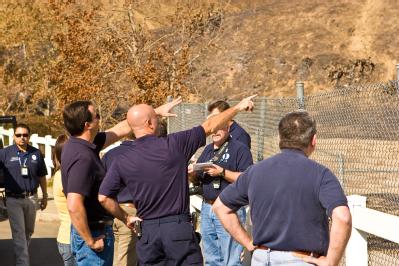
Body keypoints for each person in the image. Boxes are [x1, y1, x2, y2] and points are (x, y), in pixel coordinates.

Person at [98, 95, 256, 265]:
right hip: (177, 229)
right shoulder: (175, 144)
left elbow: (103, 197)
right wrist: (238, 107)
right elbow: (210, 126)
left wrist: (126, 218)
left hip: (147, 231)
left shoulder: (122, 158)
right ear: (151, 123)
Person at [213, 111, 352, 266]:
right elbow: (342, 217)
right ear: (314, 140)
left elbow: (220, 207)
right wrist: (331, 261)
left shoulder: (255, 171)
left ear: (280, 138)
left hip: (260, 258)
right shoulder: (321, 174)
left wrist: (247, 242)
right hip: (301, 260)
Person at [61, 99, 181, 266]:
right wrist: (91, 241)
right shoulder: (83, 156)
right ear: (88, 124)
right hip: (94, 233)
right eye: (97, 116)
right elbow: (73, 205)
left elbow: (119, 130)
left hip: (94, 230)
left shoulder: (80, 144)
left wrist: (155, 112)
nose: (100, 119)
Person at [189, 121, 253, 265]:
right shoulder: (207, 150)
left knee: (231, 260)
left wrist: (222, 172)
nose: (215, 132)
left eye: (219, 128)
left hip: (229, 209)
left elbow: (247, 179)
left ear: (228, 128)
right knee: (211, 259)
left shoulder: (240, 149)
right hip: (207, 208)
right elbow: (197, 179)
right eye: (213, 129)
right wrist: (191, 173)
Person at [0, 123, 48, 266]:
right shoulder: (4, 153)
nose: (22, 138)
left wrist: (45, 195)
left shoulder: (36, 153)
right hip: (13, 199)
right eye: (19, 135)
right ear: (14, 136)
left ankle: (21, 253)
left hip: (32, 198)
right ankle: (22, 262)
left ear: (29, 136)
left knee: (28, 231)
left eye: (25, 135)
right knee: (19, 233)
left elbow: (42, 176)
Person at [102, 133, 137, 266]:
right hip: (130, 211)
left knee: (114, 257)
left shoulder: (110, 155)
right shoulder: (141, 153)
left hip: (110, 208)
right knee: (125, 260)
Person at [53, 134, 77, 266]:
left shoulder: (61, 173)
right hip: (70, 239)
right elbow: (76, 205)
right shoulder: (64, 176)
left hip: (67, 238)